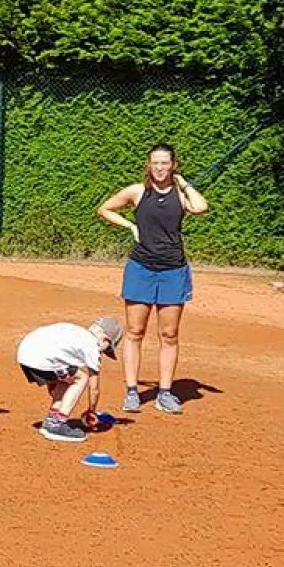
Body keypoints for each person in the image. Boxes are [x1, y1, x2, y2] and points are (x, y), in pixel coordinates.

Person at [97, 142, 209, 415]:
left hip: (173, 270)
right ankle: (132, 392)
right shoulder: (137, 192)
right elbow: (105, 209)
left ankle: (165, 393)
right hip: (141, 269)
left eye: (165, 163)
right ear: (148, 165)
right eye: (155, 163)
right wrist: (130, 225)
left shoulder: (180, 194)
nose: (159, 168)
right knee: (135, 332)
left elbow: (200, 207)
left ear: (173, 165)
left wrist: (183, 182)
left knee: (169, 334)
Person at [15, 317, 123, 443]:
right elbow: (94, 388)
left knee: (68, 378)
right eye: (107, 349)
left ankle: (51, 420)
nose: (102, 353)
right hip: (40, 359)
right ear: (105, 340)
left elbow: (53, 351)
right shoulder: (92, 345)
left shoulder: (76, 334)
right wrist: (91, 411)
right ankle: (57, 424)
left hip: (26, 352)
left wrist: (53, 382)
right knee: (82, 378)